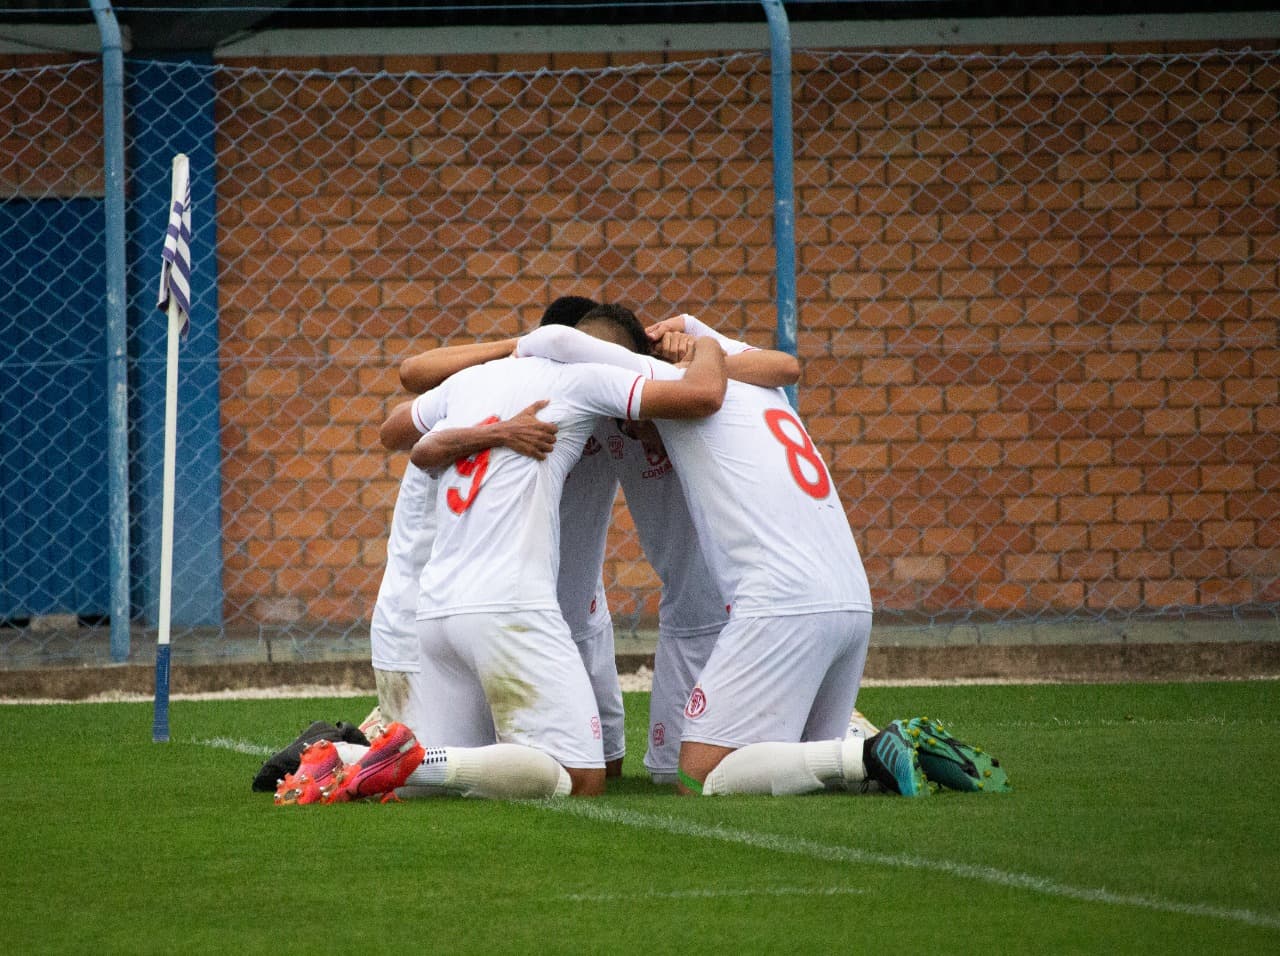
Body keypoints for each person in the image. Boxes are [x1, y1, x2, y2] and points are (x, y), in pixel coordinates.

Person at [516, 315, 1008, 797]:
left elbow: (566, 343)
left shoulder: (667, 381)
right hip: (850, 601)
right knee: (795, 768)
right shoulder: (753, 385)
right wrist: (701, 339)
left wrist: (518, 350)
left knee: (699, 776)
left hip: (776, 604)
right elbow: (786, 366)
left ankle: (868, 750)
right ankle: (873, 749)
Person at [367, 326, 728, 799]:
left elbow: (408, 440)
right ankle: (404, 759)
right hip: (510, 606)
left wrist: (494, 429)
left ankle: (354, 759)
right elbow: (704, 395)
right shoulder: (582, 381)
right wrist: (708, 343)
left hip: (437, 611)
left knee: (445, 784)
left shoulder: (473, 381)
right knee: (583, 778)